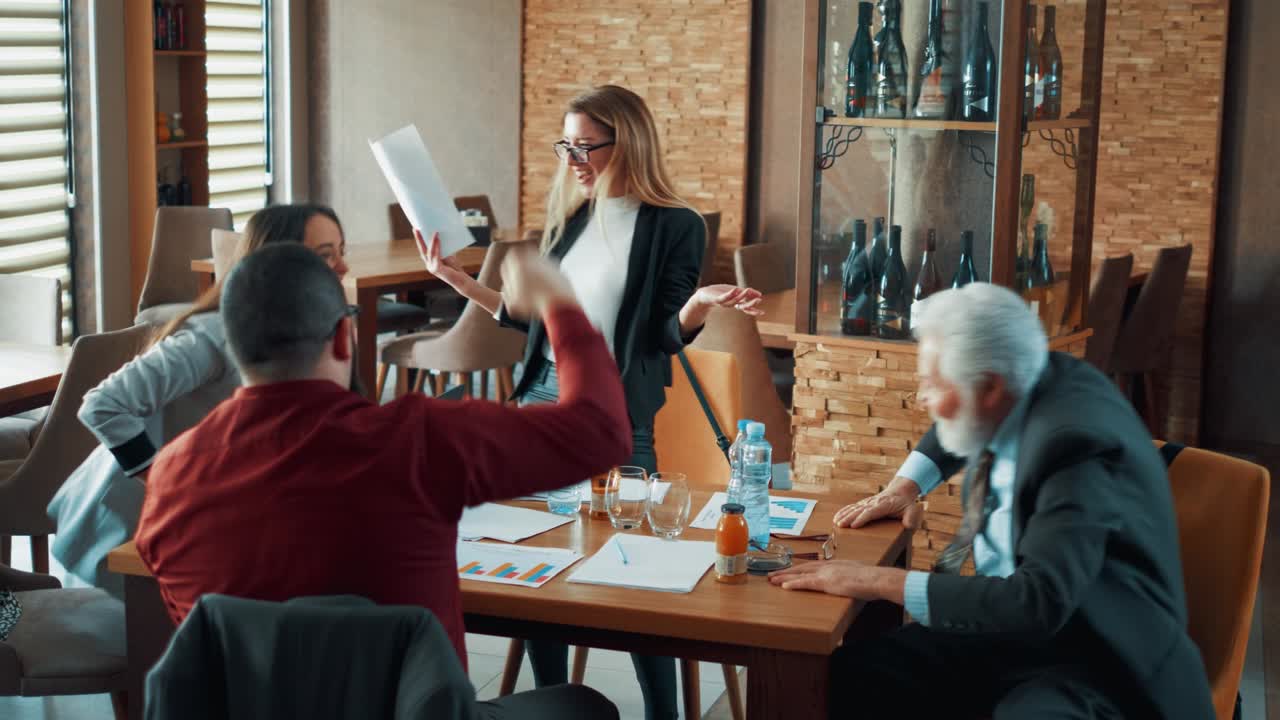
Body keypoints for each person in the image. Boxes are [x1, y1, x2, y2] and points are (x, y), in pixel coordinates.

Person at [134, 241, 632, 719]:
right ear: (343, 337)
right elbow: (602, 433)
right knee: (582, 705)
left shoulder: (170, 478)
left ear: (233, 345)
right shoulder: (415, 440)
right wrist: (557, 303)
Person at [419, 83, 761, 720]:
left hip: (616, 407)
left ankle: (663, 712)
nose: (573, 160)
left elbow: (662, 335)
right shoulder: (571, 220)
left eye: (585, 146)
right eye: (567, 146)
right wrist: (458, 280)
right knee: (539, 557)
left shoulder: (675, 225)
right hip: (541, 398)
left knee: (640, 566)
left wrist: (697, 306)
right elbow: (534, 321)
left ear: (626, 142)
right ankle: (549, 701)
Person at [769, 282, 1214, 719]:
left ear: (991, 388)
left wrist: (879, 581)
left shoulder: (1074, 450)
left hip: (1097, 659)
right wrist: (904, 487)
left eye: (931, 384)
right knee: (848, 677)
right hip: (1012, 635)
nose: (922, 398)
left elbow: (1038, 601)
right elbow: (960, 410)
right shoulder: (1029, 372)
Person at [47, 205, 349, 598]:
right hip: (124, 525)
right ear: (273, 262)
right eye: (326, 255)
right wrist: (167, 483)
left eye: (341, 252)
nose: (343, 268)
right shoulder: (212, 336)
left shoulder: (300, 332)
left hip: (197, 520)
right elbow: (103, 404)